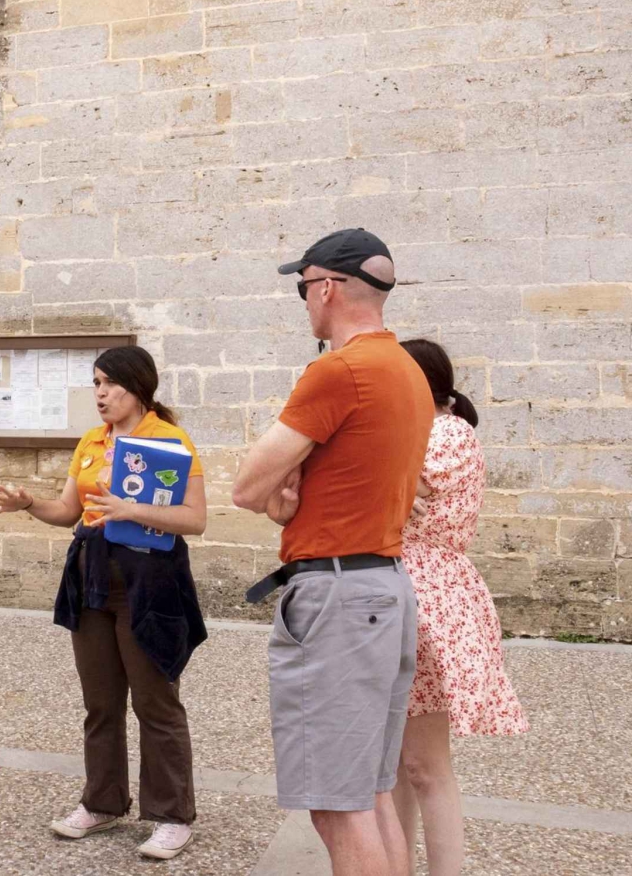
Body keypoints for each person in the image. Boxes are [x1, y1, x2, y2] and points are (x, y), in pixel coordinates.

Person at [231, 227, 432, 876]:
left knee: (337, 807)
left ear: (326, 287)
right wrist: (293, 500)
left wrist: (278, 492)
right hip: (384, 587)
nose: (304, 301)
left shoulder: (339, 369)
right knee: (370, 793)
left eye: (303, 288)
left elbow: (247, 485)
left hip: (339, 596)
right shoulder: (406, 370)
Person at [0, 345, 208, 862]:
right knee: (100, 702)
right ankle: (102, 802)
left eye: (110, 384)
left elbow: (195, 519)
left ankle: (172, 816)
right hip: (91, 579)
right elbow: (69, 510)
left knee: (155, 701)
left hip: (148, 582)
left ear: (138, 386)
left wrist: (131, 509)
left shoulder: (170, 440)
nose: (101, 394)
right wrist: (29, 503)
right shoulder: (91, 440)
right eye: (96, 383)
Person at [391, 338, 528, 876]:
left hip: (429, 601)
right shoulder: (420, 433)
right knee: (397, 765)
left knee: (425, 766)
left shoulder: (446, 434)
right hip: (404, 594)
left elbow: (379, 483)